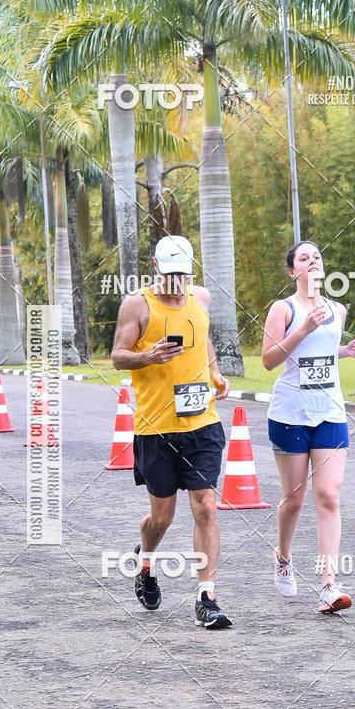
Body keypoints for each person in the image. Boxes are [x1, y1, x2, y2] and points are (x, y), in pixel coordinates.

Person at [111, 235, 233, 629]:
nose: (177, 281)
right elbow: (118, 356)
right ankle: (145, 561)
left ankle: (206, 598)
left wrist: (214, 371)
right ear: (155, 267)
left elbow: (204, 338)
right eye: (170, 273)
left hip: (202, 424)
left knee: (206, 505)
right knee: (161, 517)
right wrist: (148, 356)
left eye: (183, 273)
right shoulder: (137, 305)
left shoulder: (201, 299)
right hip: (156, 427)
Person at [262, 240, 355, 614]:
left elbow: (318, 356)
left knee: (329, 496)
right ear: (293, 271)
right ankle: (283, 556)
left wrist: (344, 351)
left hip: (330, 413)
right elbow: (269, 360)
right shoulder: (283, 309)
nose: (313, 261)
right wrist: (304, 328)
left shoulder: (337, 310)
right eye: (304, 258)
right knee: (295, 499)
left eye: (317, 256)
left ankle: (328, 585)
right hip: (290, 414)